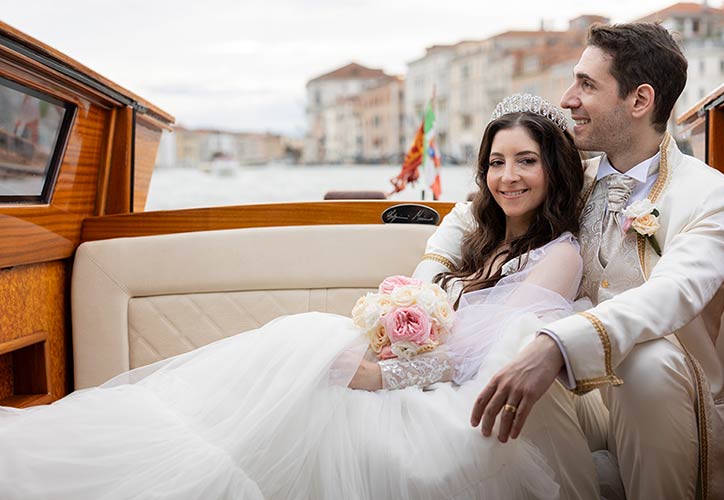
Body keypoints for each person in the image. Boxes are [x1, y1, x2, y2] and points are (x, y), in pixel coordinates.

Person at [0, 98, 599, 500]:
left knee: (307, 352)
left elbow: (483, 354)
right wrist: (388, 341)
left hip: (459, 404)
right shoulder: (483, 232)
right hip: (422, 374)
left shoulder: (560, 253)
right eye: (496, 162)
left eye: (526, 161)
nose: (507, 176)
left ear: (556, 169)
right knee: (301, 343)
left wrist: (379, 377)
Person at [424, 23, 724, 499]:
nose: (567, 98)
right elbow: (469, 210)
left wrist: (556, 344)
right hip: (580, 398)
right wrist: (421, 294)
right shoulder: (572, 176)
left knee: (650, 360)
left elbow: (673, 294)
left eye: (586, 84)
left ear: (639, 101)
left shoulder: (714, 196)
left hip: (671, 401)